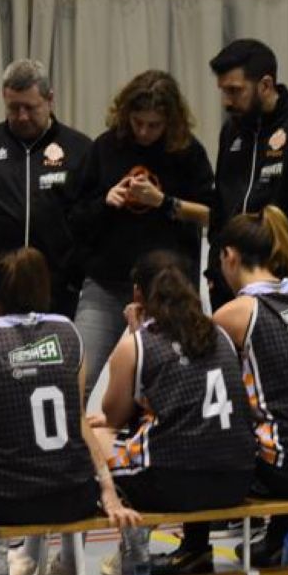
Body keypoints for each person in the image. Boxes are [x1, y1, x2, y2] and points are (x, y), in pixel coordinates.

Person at [158, 207, 288, 573]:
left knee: (211, 426)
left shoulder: (237, 312)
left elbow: (202, 392)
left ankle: (194, 547)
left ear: (229, 256)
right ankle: (283, 534)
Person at [0, 248, 139, 572]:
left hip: (7, 502)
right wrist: (107, 491)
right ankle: (60, 567)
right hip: (73, 497)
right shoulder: (69, 332)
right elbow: (77, 419)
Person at [95, 250, 257, 575]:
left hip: (174, 483)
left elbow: (111, 416)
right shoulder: (220, 333)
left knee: (96, 435)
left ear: (138, 294)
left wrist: (131, 333)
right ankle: (195, 548)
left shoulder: (140, 343)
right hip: (237, 479)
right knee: (189, 435)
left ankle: (126, 550)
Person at [70, 70, 215, 399]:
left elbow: (210, 214)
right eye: (138, 122)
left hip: (169, 288)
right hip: (108, 283)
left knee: (173, 381)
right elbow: (75, 217)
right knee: (79, 377)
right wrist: (106, 202)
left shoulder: (188, 152)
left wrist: (163, 202)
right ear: (126, 115)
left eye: (154, 125)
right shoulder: (106, 147)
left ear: (171, 121)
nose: (144, 132)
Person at [0, 59, 91, 317]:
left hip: (58, 289)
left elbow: (91, 219)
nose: (22, 116)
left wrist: (74, 273)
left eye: (30, 107)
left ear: (50, 100)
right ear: (4, 98)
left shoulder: (79, 150)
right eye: (14, 108)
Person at [207, 39, 288, 308]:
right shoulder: (231, 131)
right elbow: (221, 208)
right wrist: (215, 269)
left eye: (235, 91)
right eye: (223, 91)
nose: (226, 102)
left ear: (265, 85)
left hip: (286, 288)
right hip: (230, 286)